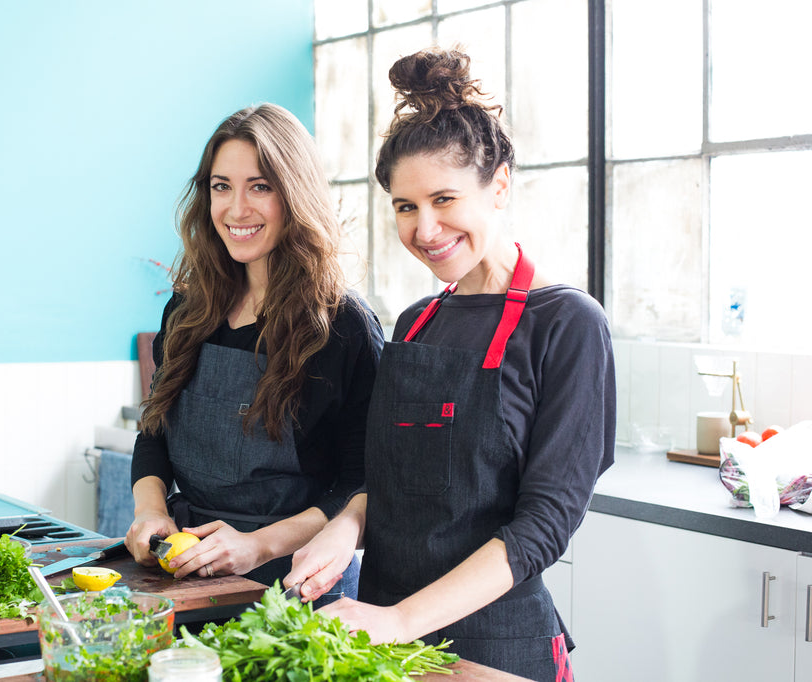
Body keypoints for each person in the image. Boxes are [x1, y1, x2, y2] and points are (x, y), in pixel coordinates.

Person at [284, 48, 615, 681]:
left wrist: (402, 621)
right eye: (406, 207)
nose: (425, 228)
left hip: (495, 647)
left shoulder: (568, 325)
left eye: (443, 199)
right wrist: (343, 528)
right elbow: (390, 479)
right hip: (379, 636)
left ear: (500, 186)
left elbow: (544, 526)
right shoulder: (415, 322)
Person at [125, 103, 384, 606]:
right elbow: (154, 431)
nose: (236, 209)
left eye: (260, 186)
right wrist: (151, 512)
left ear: (295, 195)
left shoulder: (342, 325)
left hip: (299, 586)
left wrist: (256, 546)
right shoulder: (188, 307)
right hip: (186, 572)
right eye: (221, 186)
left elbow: (360, 485)